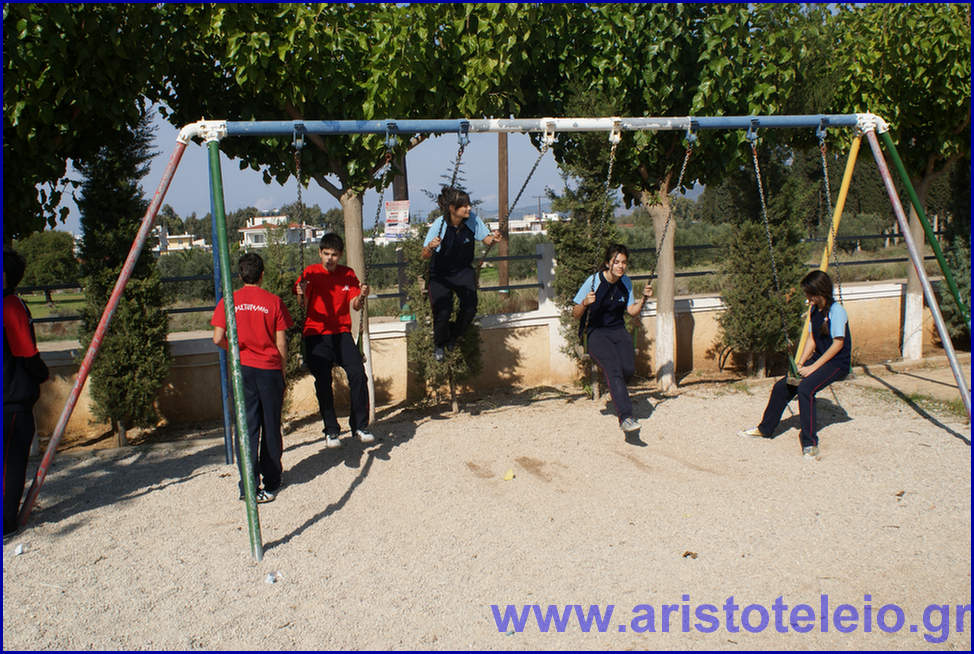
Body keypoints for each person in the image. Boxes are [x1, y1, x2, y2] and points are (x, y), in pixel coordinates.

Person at [738, 270, 852, 457]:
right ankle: (765, 429)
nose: (807, 298)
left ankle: (809, 443)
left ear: (820, 292)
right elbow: (812, 340)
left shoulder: (837, 311)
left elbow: (838, 344)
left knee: (806, 389)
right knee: (782, 387)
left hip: (837, 362)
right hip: (821, 359)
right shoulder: (814, 310)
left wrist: (813, 368)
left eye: (809, 294)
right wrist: (800, 364)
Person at [211, 252, 293, 503]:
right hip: (269, 370)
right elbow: (281, 343)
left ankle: (248, 485)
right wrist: (282, 371)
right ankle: (272, 482)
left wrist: (236, 350)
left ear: (240, 275)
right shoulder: (273, 302)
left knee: (247, 429)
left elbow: (217, 338)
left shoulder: (229, 301)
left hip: (243, 370)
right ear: (262, 275)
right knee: (271, 427)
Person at [295, 233, 374, 449]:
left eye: (334, 255)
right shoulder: (310, 273)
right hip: (316, 334)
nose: (330, 259)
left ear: (340, 256)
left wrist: (362, 295)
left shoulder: (347, 274)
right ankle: (331, 430)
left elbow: (355, 305)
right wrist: (301, 293)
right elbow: (302, 304)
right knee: (323, 381)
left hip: (341, 333)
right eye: (326, 254)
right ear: (320, 253)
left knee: (358, 374)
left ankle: (359, 426)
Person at [572, 243, 653, 435]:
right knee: (614, 368)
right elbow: (575, 314)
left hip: (617, 330)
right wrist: (585, 302)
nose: (620, 266)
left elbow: (632, 311)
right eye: (616, 262)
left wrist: (643, 299)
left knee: (628, 369)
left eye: (623, 262)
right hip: (595, 332)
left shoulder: (626, 282)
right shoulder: (594, 281)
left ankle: (615, 391)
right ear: (608, 263)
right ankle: (626, 417)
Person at [421, 186, 503, 362]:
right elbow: (424, 255)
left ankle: (454, 337)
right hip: (440, 273)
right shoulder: (439, 225)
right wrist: (430, 247)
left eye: (469, 205)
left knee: (470, 307)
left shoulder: (472, 220)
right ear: (452, 208)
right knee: (443, 311)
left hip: (463, 271)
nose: (469, 208)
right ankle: (439, 344)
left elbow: (486, 239)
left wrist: (494, 239)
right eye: (464, 206)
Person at [4, 246, 50, 536]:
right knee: (10, 461)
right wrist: (42, 374)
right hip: (10, 398)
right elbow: (26, 352)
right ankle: (5, 520)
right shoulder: (10, 306)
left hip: (10, 394)